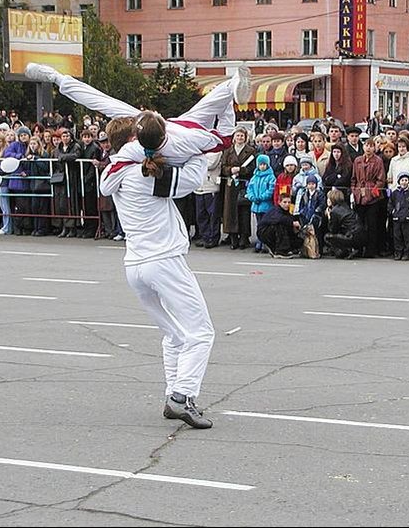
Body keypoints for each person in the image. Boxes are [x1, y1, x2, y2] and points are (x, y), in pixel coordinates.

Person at [99, 117, 215, 429]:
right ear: (133, 141)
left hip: (135, 263)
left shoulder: (116, 172)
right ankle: (182, 395)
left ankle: (173, 395)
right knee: (201, 332)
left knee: (174, 334)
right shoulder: (142, 175)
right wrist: (194, 147)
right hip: (163, 260)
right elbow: (191, 180)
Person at [26, 62, 251, 168]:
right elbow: (225, 138)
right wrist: (227, 102)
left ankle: (56, 77)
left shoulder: (138, 147)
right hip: (185, 135)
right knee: (107, 104)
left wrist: (227, 103)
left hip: (181, 131)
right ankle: (230, 86)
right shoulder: (145, 145)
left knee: (106, 103)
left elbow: (224, 135)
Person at [245, 153, 276, 252]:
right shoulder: (254, 177)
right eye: (260, 164)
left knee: (265, 225)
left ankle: (265, 243)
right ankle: (259, 241)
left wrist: (261, 197)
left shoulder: (271, 177)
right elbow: (249, 188)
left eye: (264, 164)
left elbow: (271, 189)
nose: (262, 166)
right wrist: (252, 197)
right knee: (258, 225)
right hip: (256, 205)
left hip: (266, 205)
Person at [256, 193, 302, 258]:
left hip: (270, 232)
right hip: (264, 232)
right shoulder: (276, 210)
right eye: (284, 202)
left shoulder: (287, 212)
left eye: (289, 202)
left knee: (298, 240)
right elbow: (280, 219)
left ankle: (276, 249)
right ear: (279, 202)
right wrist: (292, 223)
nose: (287, 204)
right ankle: (280, 251)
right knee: (280, 225)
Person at [324, 189, 365, 259]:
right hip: (360, 235)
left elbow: (333, 229)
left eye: (329, 198)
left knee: (327, 237)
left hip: (351, 236)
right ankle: (354, 249)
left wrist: (329, 217)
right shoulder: (346, 206)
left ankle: (346, 251)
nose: (327, 200)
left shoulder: (334, 211)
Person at [388, 172, 409, 260]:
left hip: (407, 219)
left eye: (406, 180)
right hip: (397, 218)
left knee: (407, 237)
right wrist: (393, 212)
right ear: (399, 181)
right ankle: (398, 252)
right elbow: (390, 204)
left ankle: (407, 253)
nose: (404, 182)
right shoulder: (395, 193)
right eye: (402, 180)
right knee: (397, 237)